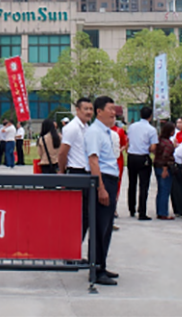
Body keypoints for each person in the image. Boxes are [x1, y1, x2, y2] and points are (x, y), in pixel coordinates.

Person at [84, 95, 120, 286]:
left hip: (110, 180)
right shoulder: (94, 132)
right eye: (111, 109)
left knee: (106, 228)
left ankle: (102, 265)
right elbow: (93, 161)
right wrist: (101, 188)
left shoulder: (105, 132)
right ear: (99, 111)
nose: (114, 113)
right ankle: (96, 269)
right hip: (103, 181)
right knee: (99, 227)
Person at [58, 98, 94, 237]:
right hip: (76, 172)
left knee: (86, 215)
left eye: (90, 109)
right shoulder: (72, 128)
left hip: (86, 173)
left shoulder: (86, 127)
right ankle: (71, 253)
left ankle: (75, 251)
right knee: (78, 215)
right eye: (85, 109)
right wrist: (62, 171)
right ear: (77, 110)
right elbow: (62, 152)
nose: (89, 112)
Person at [126, 107, 158, 220]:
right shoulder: (151, 130)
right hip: (143, 157)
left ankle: (131, 208)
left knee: (132, 183)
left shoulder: (132, 127)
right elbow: (153, 146)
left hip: (131, 156)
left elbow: (128, 141)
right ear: (150, 116)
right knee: (143, 185)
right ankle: (142, 211)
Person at [153, 122, 176, 220]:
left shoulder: (159, 141)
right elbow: (165, 157)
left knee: (160, 190)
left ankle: (160, 210)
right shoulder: (168, 144)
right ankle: (163, 212)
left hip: (157, 165)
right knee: (165, 190)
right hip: (164, 167)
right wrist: (165, 169)